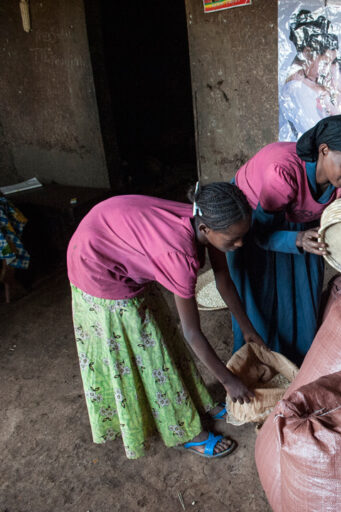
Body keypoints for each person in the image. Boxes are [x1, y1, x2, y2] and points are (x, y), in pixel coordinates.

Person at [67, 183, 265, 459]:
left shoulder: (209, 221)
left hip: (110, 232)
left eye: (241, 237)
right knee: (149, 354)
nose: (239, 244)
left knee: (161, 335)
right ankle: (186, 431)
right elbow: (192, 333)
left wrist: (247, 328)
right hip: (95, 265)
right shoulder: (179, 256)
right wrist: (228, 381)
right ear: (206, 229)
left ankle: (196, 400)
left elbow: (223, 279)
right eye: (233, 240)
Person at [228, 114, 341, 365]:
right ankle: (256, 365)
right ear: (324, 150)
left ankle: (295, 366)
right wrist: (296, 239)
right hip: (254, 220)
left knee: (301, 295)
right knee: (259, 298)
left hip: (301, 218)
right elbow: (260, 234)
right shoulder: (283, 172)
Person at [278, 9, 340, 141]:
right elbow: (318, 135)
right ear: (307, 53)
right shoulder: (298, 88)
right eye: (325, 63)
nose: (326, 71)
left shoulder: (304, 85)